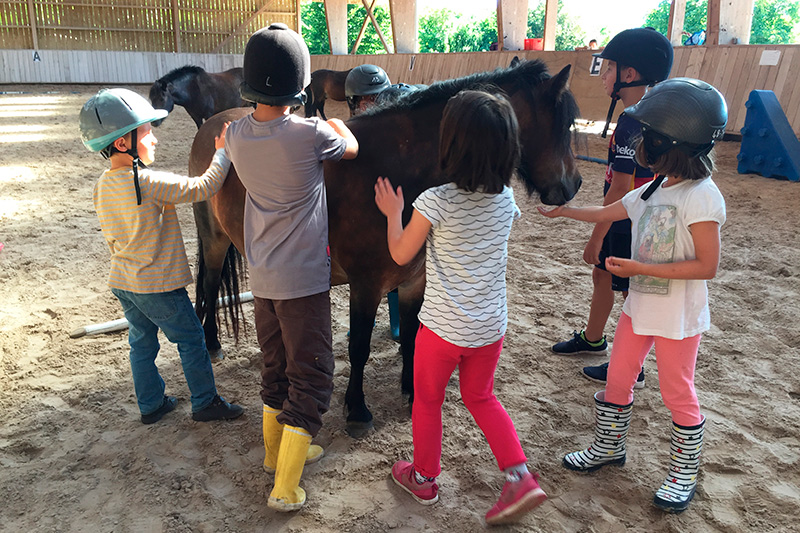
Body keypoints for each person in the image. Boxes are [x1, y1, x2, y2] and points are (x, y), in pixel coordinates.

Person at [539, 77, 728, 513]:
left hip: (678, 318)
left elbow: (707, 266)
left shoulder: (702, 197)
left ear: (670, 144)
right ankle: (609, 447)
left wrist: (640, 268)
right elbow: (610, 210)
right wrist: (564, 211)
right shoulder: (654, 186)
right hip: (637, 309)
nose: (641, 145)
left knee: (677, 392)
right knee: (618, 379)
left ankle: (683, 472)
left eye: (649, 139)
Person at [375, 90, 547, 525]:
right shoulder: (506, 199)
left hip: (441, 331)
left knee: (428, 402)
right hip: (491, 327)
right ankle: (520, 476)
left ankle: (425, 478)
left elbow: (399, 255)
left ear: (450, 144)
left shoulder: (436, 201)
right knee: (481, 396)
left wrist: (394, 212)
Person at [225, 23, 359, 512]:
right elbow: (352, 148)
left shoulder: (236, 135)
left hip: (261, 276)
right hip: (303, 280)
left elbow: (230, 134)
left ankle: (273, 453)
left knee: (275, 365)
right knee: (313, 374)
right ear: (297, 84)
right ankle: (285, 486)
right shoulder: (311, 134)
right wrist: (338, 122)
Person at [79, 88, 244, 425]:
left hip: (124, 281)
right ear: (123, 143)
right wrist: (222, 153)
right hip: (158, 284)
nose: (154, 139)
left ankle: (151, 404)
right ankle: (205, 401)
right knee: (192, 338)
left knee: (141, 343)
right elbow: (204, 187)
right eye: (146, 131)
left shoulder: (102, 184)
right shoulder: (148, 181)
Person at [551, 28, 674, 390]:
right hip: (646, 215)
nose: (603, 76)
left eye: (607, 69)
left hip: (627, 219)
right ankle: (593, 338)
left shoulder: (631, 122)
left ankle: (630, 365)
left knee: (630, 292)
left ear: (629, 74)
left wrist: (595, 237)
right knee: (604, 277)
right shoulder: (656, 113)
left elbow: (619, 188)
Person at [347, 71, 412, 342]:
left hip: (396, 204)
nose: (371, 106)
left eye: (376, 99)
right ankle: (366, 318)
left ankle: (396, 320)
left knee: (401, 262)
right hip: (366, 210)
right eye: (365, 101)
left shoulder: (394, 128)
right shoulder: (352, 132)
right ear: (354, 102)